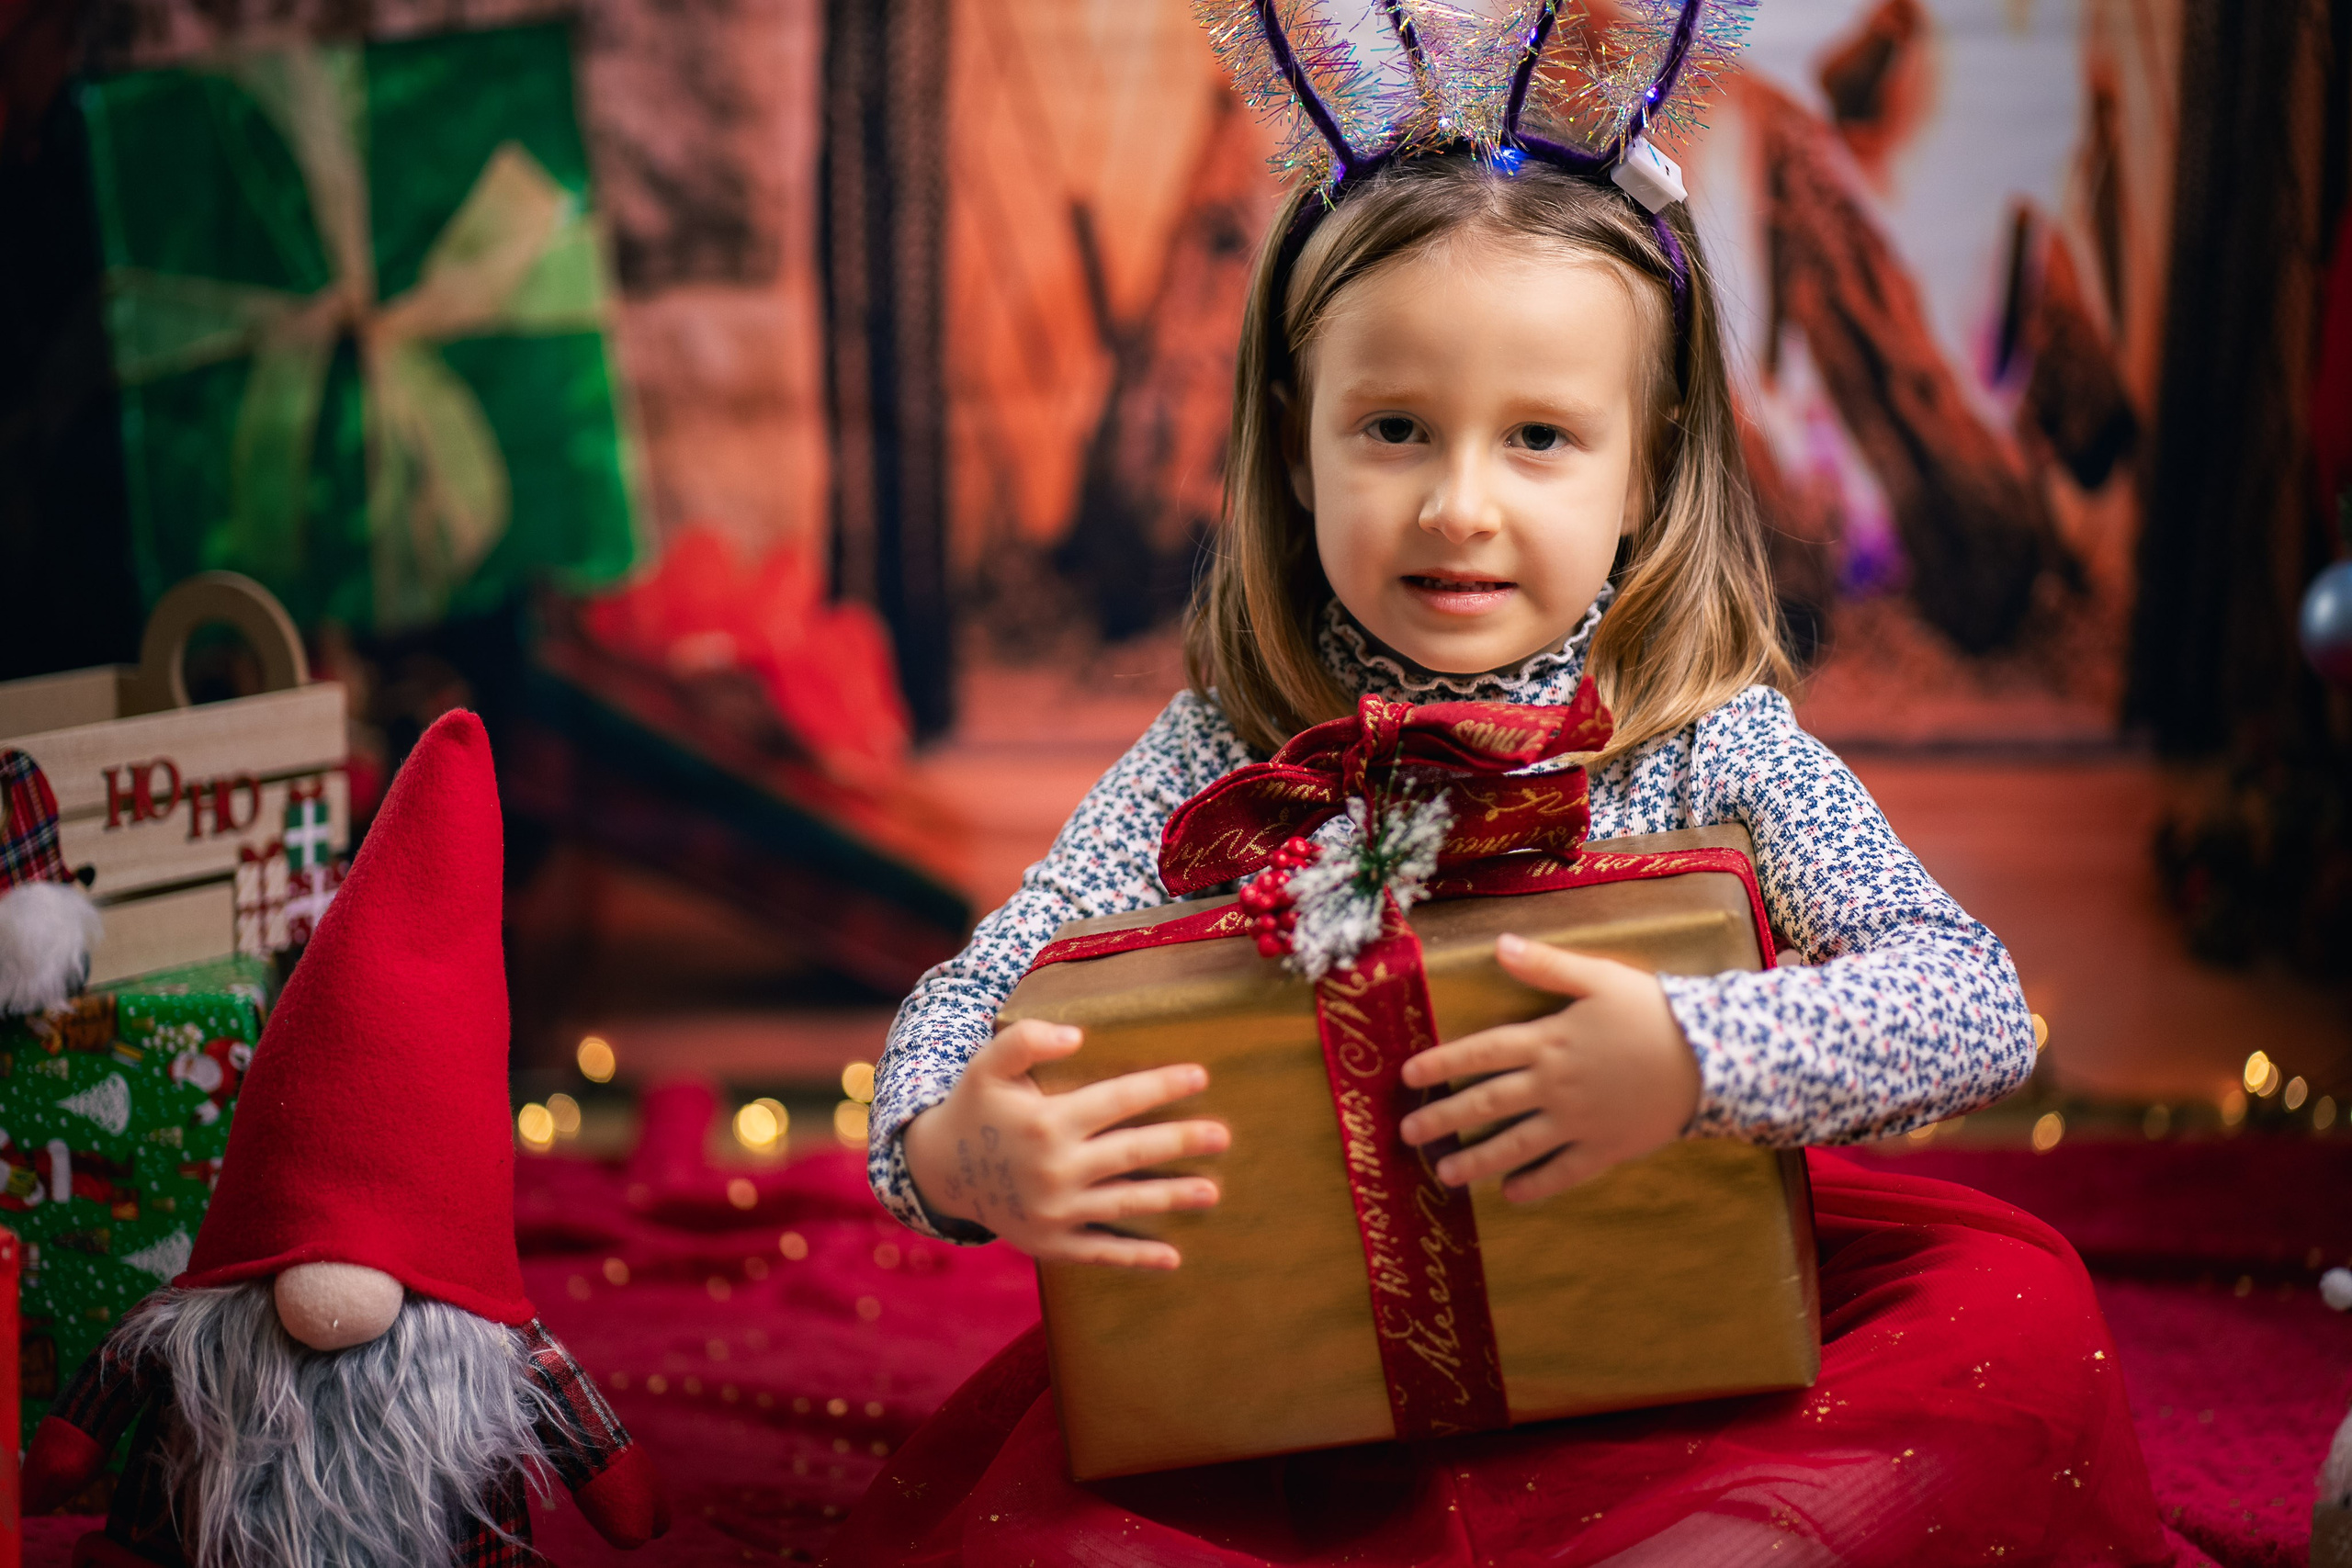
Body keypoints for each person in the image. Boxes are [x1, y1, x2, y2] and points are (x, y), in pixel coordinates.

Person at [839, 15, 2167, 1566]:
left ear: (1648, 462)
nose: (1458, 504)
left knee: (2012, 1308)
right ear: (1294, 436)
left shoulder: (1709, 741)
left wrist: (1689, 1054)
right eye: (1393, 429)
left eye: (1540, 438)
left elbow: (1975, 1006)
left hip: (1687, 1376)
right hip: (1316, 1388)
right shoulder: (1219, 752)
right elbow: (974, 995)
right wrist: (957, 1152)